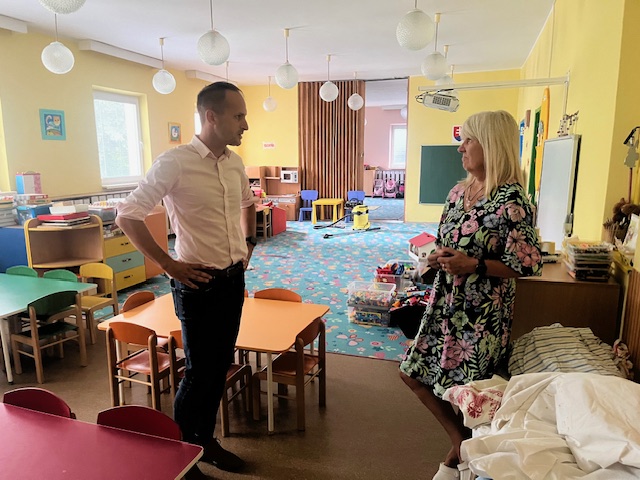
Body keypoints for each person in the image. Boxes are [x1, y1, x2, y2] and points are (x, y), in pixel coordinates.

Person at [116, 82, 257, 479]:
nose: (245, 125)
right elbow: (127, 216)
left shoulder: (234, 162)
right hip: (197, 284)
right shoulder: (175, 162)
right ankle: (179, 454)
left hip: (232, 281)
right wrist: (167, 264)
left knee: (219, 366)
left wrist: (248, 242)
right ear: (211, 116)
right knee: (198, 372)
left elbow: (248, 203)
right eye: (239, 116)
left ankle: (203, 442)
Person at [399, 110, 542, 480]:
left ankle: (461, 460)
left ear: (491, 144)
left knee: (467, 393)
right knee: (412, 373)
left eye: (468, 140)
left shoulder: (512, 199)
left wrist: (474, 264)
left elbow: (526, 264)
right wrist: (436, 257)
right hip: (444, 304)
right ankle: (463, 445)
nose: (460, 148)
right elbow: (444, 241)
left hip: (482, 315)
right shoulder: (457, 192)